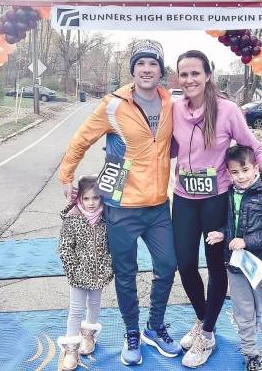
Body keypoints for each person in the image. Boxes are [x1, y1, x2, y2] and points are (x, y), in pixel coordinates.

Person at [59, 40, 181, 366]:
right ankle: (131, 332)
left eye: (153, 64)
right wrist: (66, 175)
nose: (146, 69)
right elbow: (82, 138)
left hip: (157, 206)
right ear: (133, 70)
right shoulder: (113, 105)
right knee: (125, 274)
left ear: (161, 70)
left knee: (168, 265)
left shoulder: (171, 104)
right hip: (122, 206)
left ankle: (154, 327)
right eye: (140, 64)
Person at [171, 50, 262, 368]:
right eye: (183, 74)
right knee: (185, 264)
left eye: (195, 73)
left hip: (216, 199)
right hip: (184, 197)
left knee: (216, 268)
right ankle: (203, 321)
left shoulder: (227, 110)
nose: (189, 80)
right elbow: (161, 146)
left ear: (208, 74)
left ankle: (208, 333)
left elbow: (254, 149)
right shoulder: (174, 109)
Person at [223, 145, 262, 371]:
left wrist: (247, 242)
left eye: (245, 170)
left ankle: (249, 338)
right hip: (236, 265)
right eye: (234, 172)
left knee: (256, 310)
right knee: (244, 311)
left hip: (261, 265)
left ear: (256, 168)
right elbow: (230, 224)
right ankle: (251, 353)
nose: (241, 177)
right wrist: (222, 234)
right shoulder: (229, 193)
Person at [57, 175, 114, 371]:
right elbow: (65, 249)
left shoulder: (106, 218)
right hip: (78, 275)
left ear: (102, 198)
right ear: (79, 198)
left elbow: (112, 246)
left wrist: (108, 265)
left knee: (95, 304)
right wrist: (74, 271)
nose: (91, 203)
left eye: (96, 198)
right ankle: (72, 347)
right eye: (87, 198)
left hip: (99, 273)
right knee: (76, 309)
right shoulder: (72, 218)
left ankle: (88, 333)